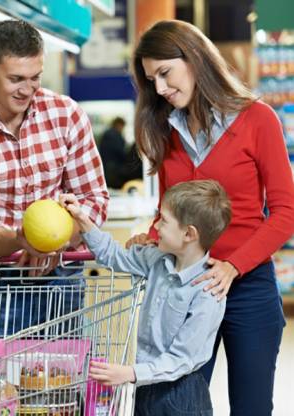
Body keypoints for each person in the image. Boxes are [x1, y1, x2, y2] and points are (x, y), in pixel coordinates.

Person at [128, 20, 294, 415]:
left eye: (165, 73)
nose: (161, 89)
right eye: (152, 80)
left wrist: (233, 266)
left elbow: (286, 213)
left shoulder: (258, 120)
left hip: (247, 288)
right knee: (177, 405)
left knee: (251, 408)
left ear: (195, 57)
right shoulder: (167, 131)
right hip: (184, 292)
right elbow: (171, 208)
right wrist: (153, 234)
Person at [0, 20, 109, 339]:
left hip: (64, 279)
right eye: (16, 79)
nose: (27, 90)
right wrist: (21, 239)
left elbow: (94, 199)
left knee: (62, 382)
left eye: (35, 78)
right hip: (0, 283)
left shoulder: (66, 114)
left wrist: (55, 241)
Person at [61, 179, 232, 416]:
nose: (157, 227)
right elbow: (113, 255)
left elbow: (182, 359)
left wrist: (129, 373)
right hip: (144, 389)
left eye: (164, 220)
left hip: (182, 397)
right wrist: (82, 219)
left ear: (189, 234)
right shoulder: (156, 259)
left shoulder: (208, 292)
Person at [98, 117, 127, 188]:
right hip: (113, 167)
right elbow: (119, 151)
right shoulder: (115, 135)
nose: (122, 129)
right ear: (118, 124)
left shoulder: (107, 134)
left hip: (106, 165)